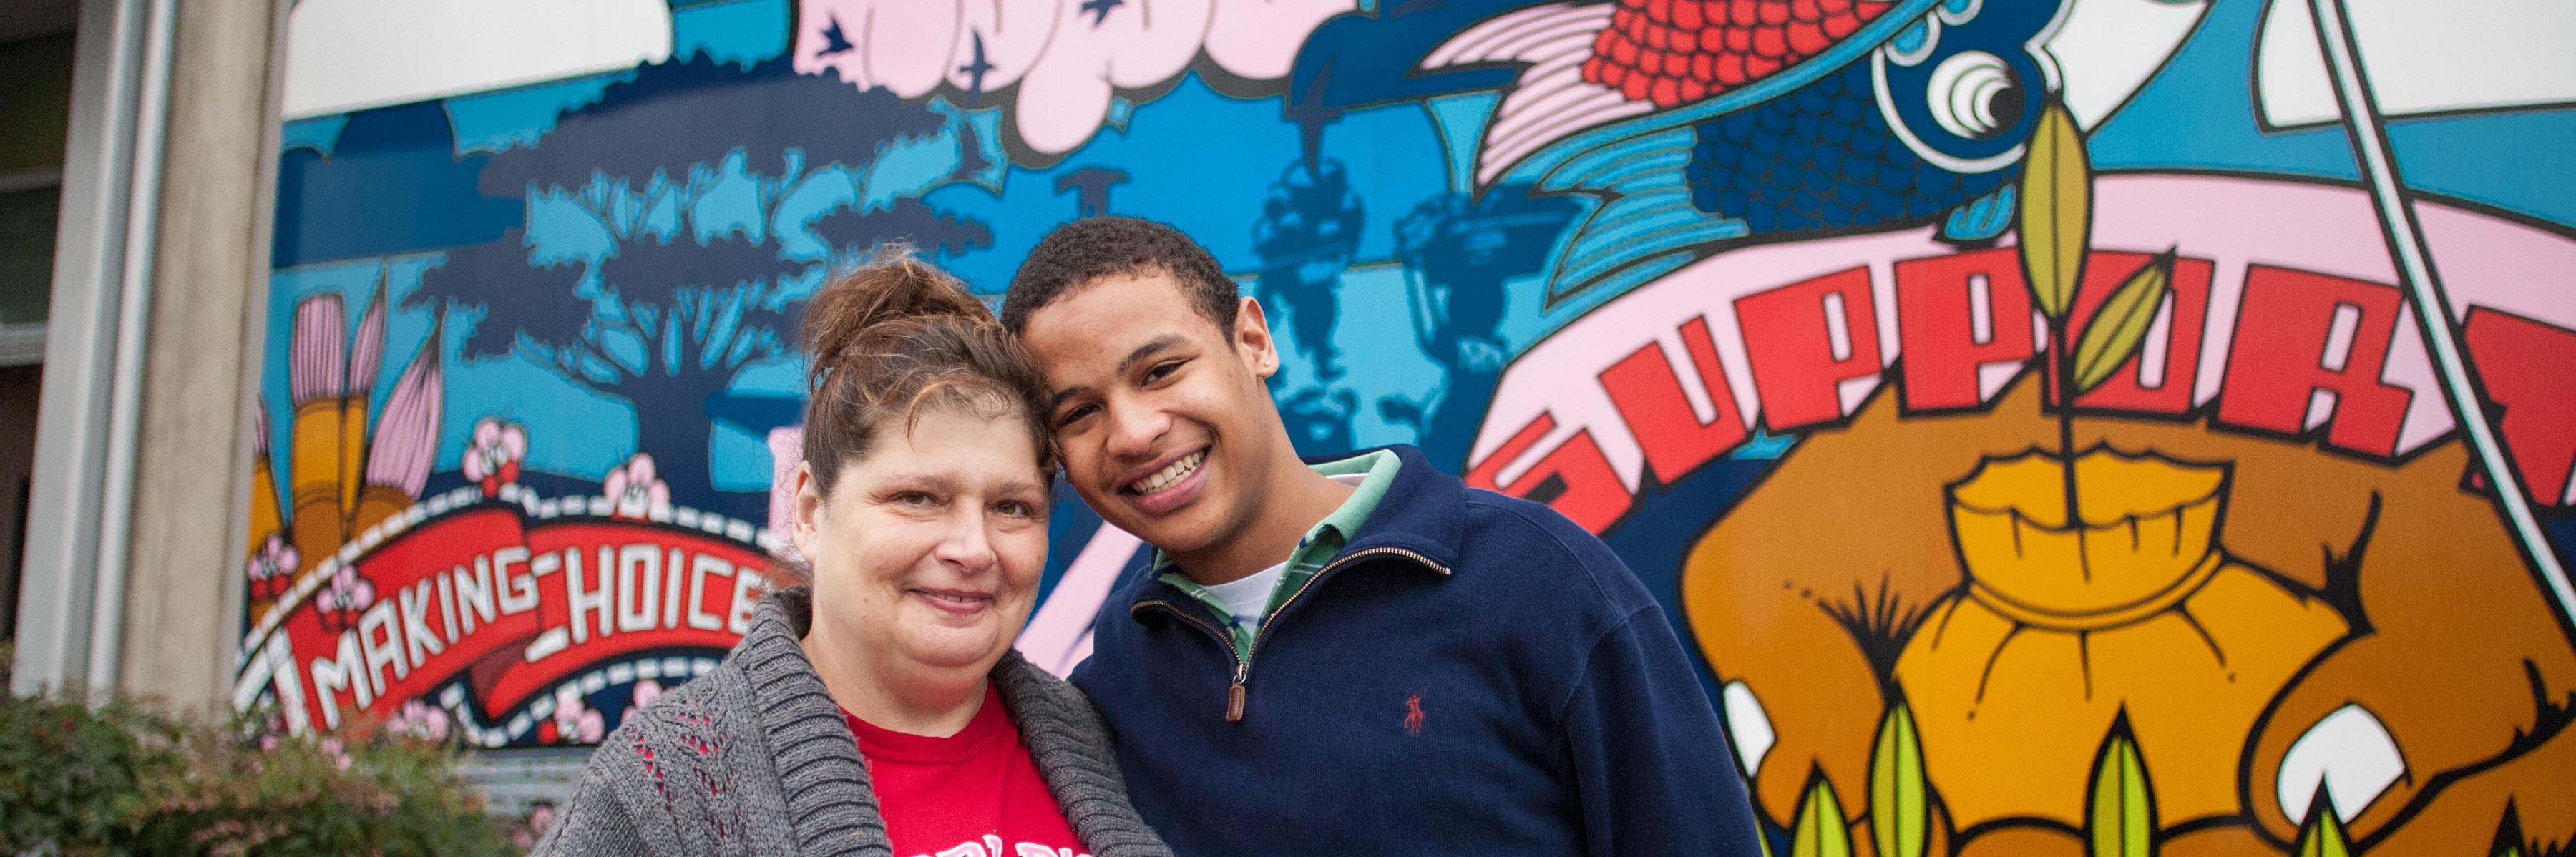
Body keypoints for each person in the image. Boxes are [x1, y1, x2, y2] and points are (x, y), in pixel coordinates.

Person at [1002, 217, 1765, 854]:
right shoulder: (1114, 681)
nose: (1134, 431)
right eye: (1080, 413)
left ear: (1254, 341)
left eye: (1162, 370)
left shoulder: (1537, 580)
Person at [537, 248, 1169, 857]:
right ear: (809, 511)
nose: (973, 549)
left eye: (1011, 507)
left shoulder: (1097, 737)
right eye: (918, 498)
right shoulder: (664, 786)